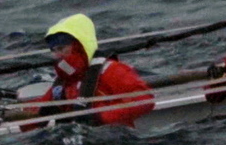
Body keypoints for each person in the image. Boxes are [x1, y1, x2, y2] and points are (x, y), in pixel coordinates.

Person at [9, 13, 154, 130]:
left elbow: (144, 99)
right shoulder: (62, 83)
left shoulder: (111, 71)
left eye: (62, 48)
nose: (58, 55)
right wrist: (15, 115)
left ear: (79, 46)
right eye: (54, 50)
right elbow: (37, 111)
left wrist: (100, 117)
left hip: (112, 144)